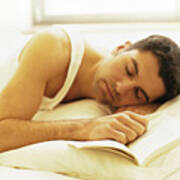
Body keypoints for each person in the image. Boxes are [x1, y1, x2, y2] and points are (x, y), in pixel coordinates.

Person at [0, 26, 180, 152]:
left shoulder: (126, 99)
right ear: (121, 48)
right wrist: (83, 129)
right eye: (129, 70)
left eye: (138, 94)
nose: (121, 88)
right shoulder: (54, 46)